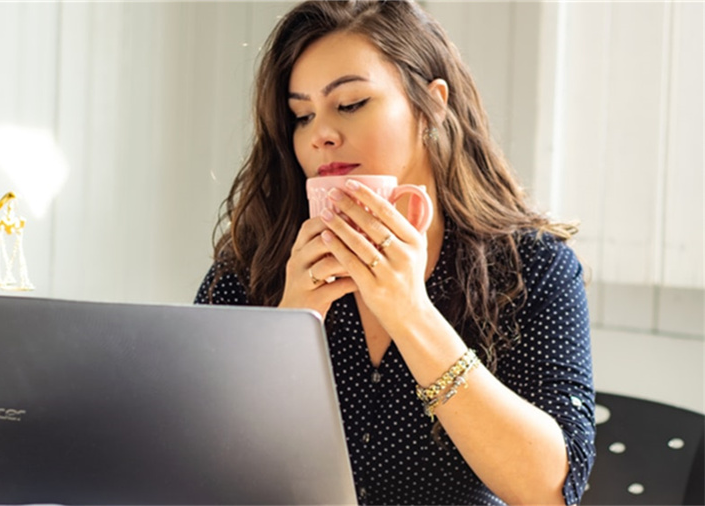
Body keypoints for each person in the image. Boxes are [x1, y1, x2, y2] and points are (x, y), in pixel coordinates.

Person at [194, 1, 595, 505]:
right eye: (301, 115)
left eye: (351, 103)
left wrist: (410, 313)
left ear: (431, 106)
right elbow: (197, 469)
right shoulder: (256, 261)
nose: (320, 134)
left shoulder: (532, 268)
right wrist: (289, 330)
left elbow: (552, 491)